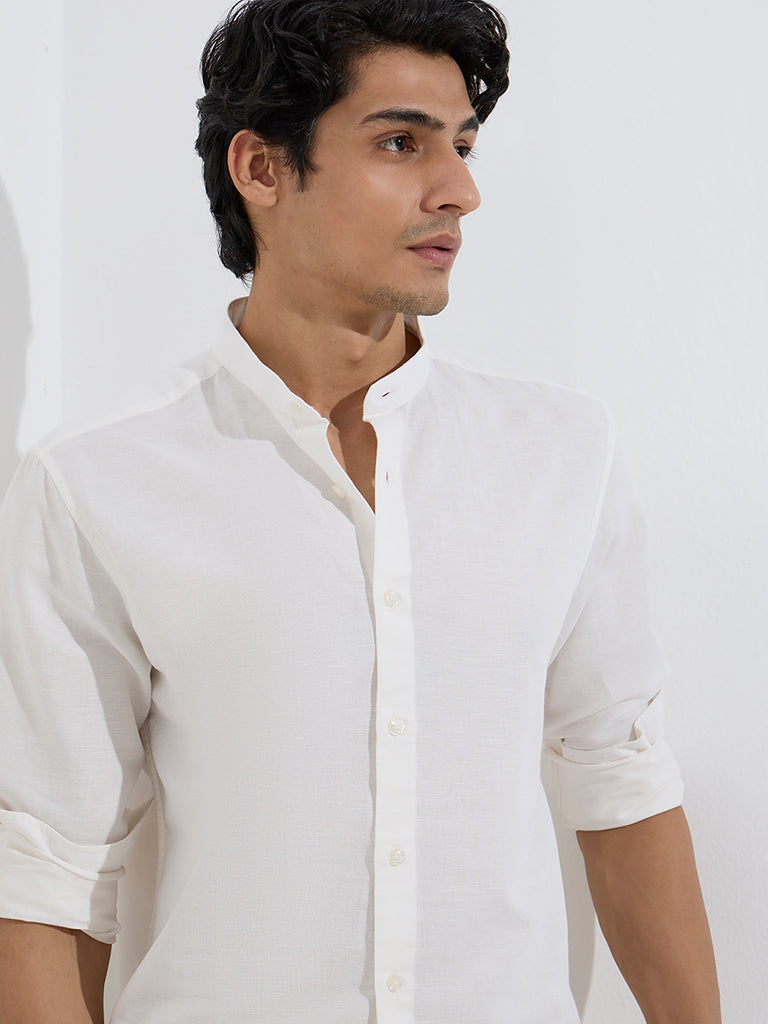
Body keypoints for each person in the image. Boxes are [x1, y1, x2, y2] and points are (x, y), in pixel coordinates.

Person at [0, 1, 720, 1021]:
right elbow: (48, 876)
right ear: (262, 169)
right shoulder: (98, 482)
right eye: (400, 142)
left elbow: (623, 784)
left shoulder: (563, 455)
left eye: (463, 145)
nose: (460, 189)